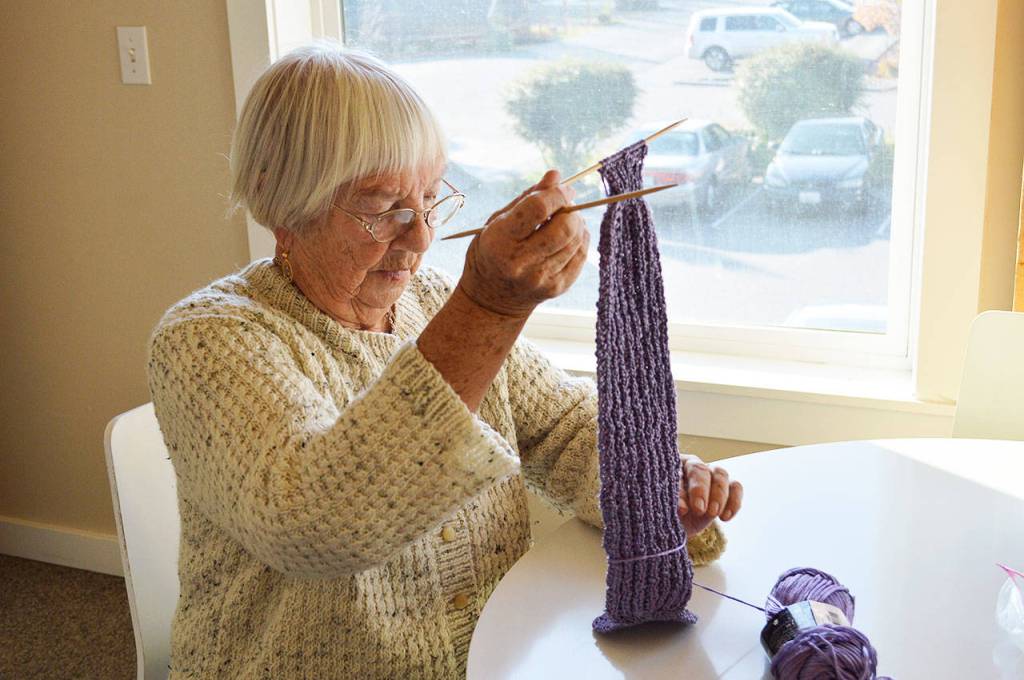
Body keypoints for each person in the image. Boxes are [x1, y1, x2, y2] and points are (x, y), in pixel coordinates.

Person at [147, 44, 743, 680]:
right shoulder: (208, 338)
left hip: (494, 658)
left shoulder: (430, 303)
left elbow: (565, 430)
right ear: (278, 202)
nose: (422, 237)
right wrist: (487, 308)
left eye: (431, 199)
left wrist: (653, 489)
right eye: (382, 209)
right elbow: (318, 522)